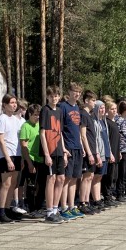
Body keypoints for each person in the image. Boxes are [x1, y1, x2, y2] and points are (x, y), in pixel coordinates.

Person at [39, 85, 68, 224]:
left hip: (58, 150)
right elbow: (42, 133)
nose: (54, 98)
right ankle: (49, 211)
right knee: (51, 179)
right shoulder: (45, 110)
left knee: (61, 179)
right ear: (48, 97)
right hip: (49, 150)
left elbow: (60, 132)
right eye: (51, 96)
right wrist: (46, 154)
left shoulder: (60, 111)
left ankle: (56, 209)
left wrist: (63, 150)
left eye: (56, 95)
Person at [0, 94, 23, 223]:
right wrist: (8, 159)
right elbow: (1, 140)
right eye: (11, 102)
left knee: (13, 184)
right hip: (6, 155)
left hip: (16, 154)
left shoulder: (16, 120)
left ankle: (7, 208)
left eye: (15, 102)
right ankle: (1, 211)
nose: (14, 105)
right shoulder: (2, 119)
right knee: (6, 184)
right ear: (5, 105)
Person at [59, 83, 84, 219]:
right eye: (75, 91)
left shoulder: (77, 108)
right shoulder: (63, 107)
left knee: (74, 178)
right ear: (69, 92)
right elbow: (60, 130)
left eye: (79, 92)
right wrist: (63, 149)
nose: (77, 94)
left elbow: (79, 129)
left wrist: (82, 146)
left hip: (77, 147)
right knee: (66, 179)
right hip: (68, 147)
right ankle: (63, 207)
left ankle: (71, 205)